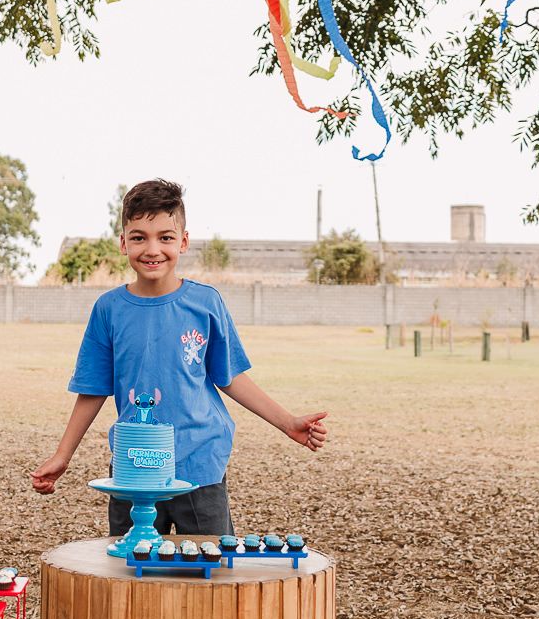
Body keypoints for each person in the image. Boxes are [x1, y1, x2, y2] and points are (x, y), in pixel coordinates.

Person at [30, 179, 328, 536]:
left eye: (165, 237)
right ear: (123, 243)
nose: (152, 248)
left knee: (208, 576)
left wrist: (288, 422)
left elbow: (229, 376)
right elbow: (93, 389)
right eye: (139, 237)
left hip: (199, 467)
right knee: (131, 576)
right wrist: (63, 456)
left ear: (183, 241)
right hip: (133, 472)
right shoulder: (108, 309)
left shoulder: (205, 303)